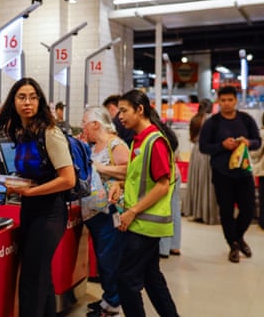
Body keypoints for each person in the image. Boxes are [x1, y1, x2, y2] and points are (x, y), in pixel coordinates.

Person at [0, 77, 75, 317]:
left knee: (31, 280)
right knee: (42, 278)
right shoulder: (21, 132)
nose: (27, 102)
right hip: (29, 210)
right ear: (14, 102)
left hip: (50, 213)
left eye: (32, 97)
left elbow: (67, 179)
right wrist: (6, 185)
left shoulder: (50, 133)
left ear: (39, 101)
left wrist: (30, 192)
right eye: (22, 97)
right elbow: (29, 172)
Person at [110, 89, 179, 317]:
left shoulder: (154, 141)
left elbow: (161, 184)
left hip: (143, 223)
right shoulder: (138, 140)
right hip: (141, 222)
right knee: (151, 278)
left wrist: (132, 212)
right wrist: (119, 185)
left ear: (140, 110)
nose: (120, 116)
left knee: (126, 280)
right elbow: (138, 177)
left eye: (124, 110)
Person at [199, 86, 261, 263]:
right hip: (221, 173)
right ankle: (233, 245)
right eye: (223, 100)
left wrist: (248, 142)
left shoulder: (246, 120)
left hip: (243, 172)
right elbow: (203, 147)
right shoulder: (213, 122)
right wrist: (222, 146)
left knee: (248, 209)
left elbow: (258, 142)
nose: (226, 103)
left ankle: (239, 237)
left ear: (236, 100)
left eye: (230, 100)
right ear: (218, 102)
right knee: (226, 211)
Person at [81, 106, 129, 317]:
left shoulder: (115, 144)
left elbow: (130, 170)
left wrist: (101, 168)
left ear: (95, 124)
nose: (83, 127)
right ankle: (109, 298)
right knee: (103, 258)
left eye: (85, 123)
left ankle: (113, 304)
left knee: (109, 258)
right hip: (95, 211)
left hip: (110, 210)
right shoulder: (94, 146)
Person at [183, 99, 220, 224]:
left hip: (196, 152)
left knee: (196, 181)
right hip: (208, 152)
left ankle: (195, 211)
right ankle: (207, 213)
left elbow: (192, 138)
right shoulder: (213, 120)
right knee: (208, 183)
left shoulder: (194, 119)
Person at [250, 112, 264, 230]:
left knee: (263, 197)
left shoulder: (262, 134)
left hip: (263, 171)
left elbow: (256, 153)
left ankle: (262, 222)